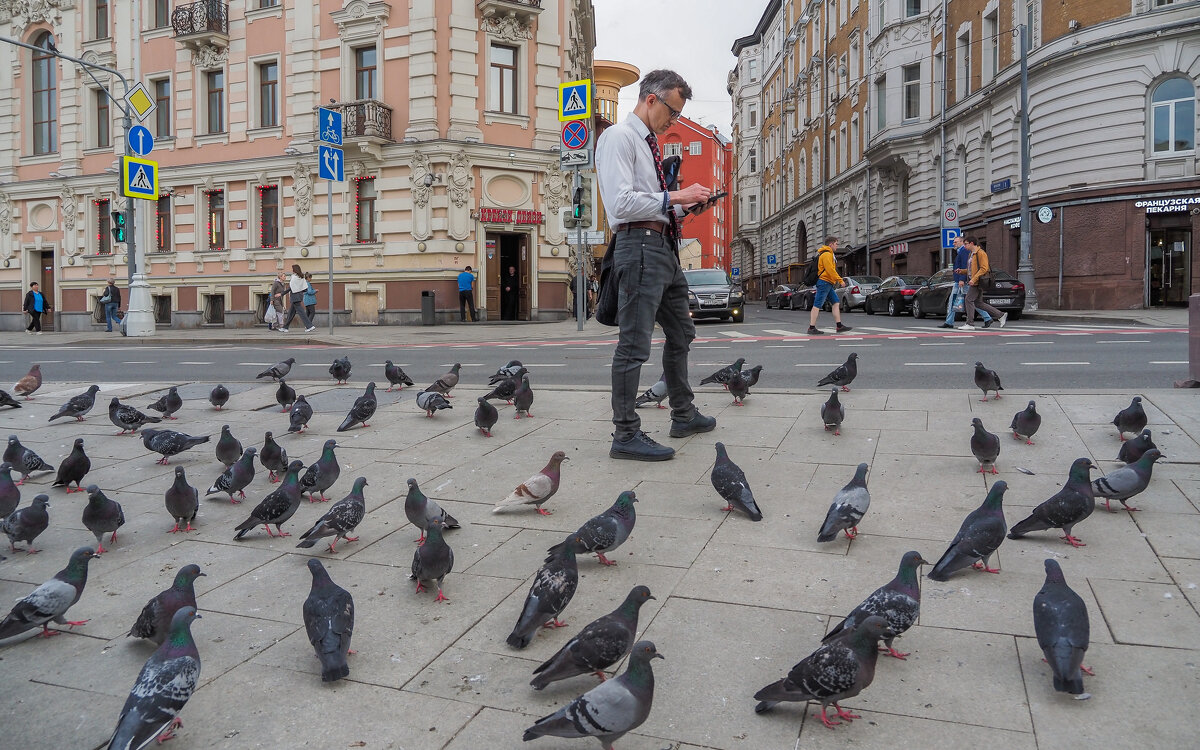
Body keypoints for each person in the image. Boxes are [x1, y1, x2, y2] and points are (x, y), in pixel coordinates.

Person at [595, 68, 715, 462]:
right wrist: (677, 196)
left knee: (682, 332)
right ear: (651, 99)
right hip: (639, 247)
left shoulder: (647, 145)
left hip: (662, 248)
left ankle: (682, 413)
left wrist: (683, 208)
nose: (672, 122)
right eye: (672, 112)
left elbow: (651, 204)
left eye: (678, 115)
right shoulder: (618, 137)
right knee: (634, 344)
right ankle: (625, 433)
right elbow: (621, 204)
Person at [807, 237, 852, 335]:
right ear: (830, 244)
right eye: (836, 243)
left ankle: (839, 325)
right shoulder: (827, 254)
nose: (837, 245)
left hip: (828, 283)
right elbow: (830, 270)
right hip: (824, 282)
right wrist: (840, 280)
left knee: (836, 302)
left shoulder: (828, 254)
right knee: (817, 305)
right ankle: (811, 327)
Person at [960, 236, 1007, 330]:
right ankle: (1000, 315)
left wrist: (974, 279)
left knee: (968, 300)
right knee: (978, 303)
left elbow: (984, 268)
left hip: (977, 282)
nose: (964, 246)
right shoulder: (971, 254)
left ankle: (970, 323)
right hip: (974, 280)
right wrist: (962, 271)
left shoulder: (981, 253)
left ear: (972, 243)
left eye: (966, 244)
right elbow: (971, 269)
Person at [940, 235, 970, 329]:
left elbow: (965, 266)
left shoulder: (964, 251)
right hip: (959, 281)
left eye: (955, 242)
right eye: (953, 242)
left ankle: (987, 317)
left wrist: (962, 279)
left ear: (961, 242)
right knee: (955, 301)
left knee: (972, 301)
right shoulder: (960, 251)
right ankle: (949, 322)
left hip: (961, 281)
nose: (953, 243)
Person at [279, 264, 316, 333]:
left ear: (294, 270)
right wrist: (299, 290)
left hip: (294, 297)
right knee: (291, 313)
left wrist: (282, 293)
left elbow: (291, 288)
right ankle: (285, 327)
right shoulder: (301, 277)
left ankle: (309, 326)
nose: (292, 270)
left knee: (301, 312)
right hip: (299, 296)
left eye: (292, 269)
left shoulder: (294, 277)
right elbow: (305, 289)